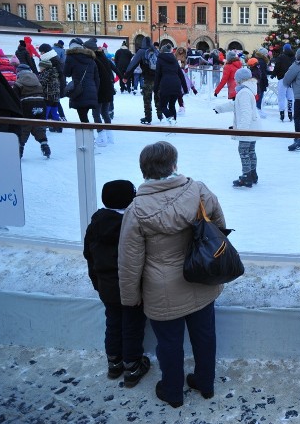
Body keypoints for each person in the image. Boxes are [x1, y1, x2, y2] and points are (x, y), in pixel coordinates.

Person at [119, 141, 226, 408]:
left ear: (144, 171)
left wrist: (130, 298)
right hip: (201, 278)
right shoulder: (199, 190)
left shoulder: (136, 211)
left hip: (161, 290)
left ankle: (172, 392)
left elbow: (130, 262)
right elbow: (219, 229)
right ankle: (205, 383)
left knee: (168, 344)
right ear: (174, 165)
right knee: (205, 336)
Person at [83, 180, 150, 387]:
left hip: (107, 287)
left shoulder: (95, 224)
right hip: (131, 287)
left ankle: (114, 364)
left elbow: (89, 255)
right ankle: (132, 367)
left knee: (113, 323)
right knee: (132, 325)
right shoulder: (131, 225)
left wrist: (98, 283)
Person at [214, 67, 261, 187]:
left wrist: (242, 130)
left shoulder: (244, 92)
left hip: (247, 128)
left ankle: (246, 176)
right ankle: (252, 174)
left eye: (236, 79)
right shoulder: (247, 90)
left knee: (244, 151)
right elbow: (235, 104)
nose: (235, 81)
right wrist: (220, 108)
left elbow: (246, 112)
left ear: (240, 80)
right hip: (253, 127)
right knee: (250, 151)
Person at [12, 64, 51, 159]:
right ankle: (45, 145)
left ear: (18, 72)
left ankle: (19, 150)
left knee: (25, 126)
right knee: (39, 125)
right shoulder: (37, 80)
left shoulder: (18, 82)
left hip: (26, 105)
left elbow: (14, 97)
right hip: (41, 103)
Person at [64, 40, 101, 127]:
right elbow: (97, 78)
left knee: (83, 117)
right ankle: (88, 136)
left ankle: (88, 137)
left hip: (78, 90)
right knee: (84, 116)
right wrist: (95, 91)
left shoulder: (70, 57)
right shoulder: (91, 58)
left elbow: (66, 73)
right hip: (91, 90)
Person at [124, 37, 161, 124]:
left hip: (148, 78)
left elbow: (133, 64)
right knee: (158, 97)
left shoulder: (141, 52)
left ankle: (148, 117)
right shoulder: (156, 51)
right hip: (158, 79)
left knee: (147, 99)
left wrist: (126, 76)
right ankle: (160, 114)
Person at [154, 44, 188, 126]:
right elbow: (181, 75)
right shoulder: (174, 60)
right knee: (172, 105)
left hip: (165, 85)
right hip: (176, 85)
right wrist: (185, 88)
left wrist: (155, 88)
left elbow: (157, 75)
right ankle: (173, 124)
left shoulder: (160, 59)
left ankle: (171, 119)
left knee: (163, 106)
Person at [271, 43, 296, 122]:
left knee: (281, 97)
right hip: (291, 80)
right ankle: (290, 113)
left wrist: (273, 74)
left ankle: (282, 113)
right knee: (290, 97)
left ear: (284, 49)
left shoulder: (281, 57)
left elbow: (277, 67)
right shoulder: (294, 58)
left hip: (282, 79)